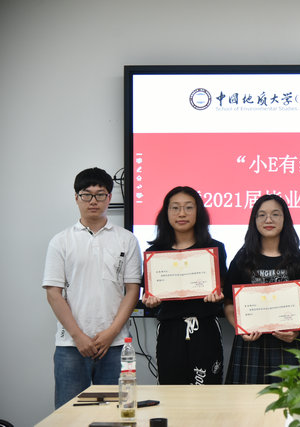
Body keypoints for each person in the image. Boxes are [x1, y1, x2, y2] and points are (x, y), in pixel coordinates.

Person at [42, 167, 142, 408]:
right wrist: (79, 336)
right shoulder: (61, 241)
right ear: (76, 198)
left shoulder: (126, 239)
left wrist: (110, 333)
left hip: (116, 345)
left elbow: (132, 290)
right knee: (69, 416)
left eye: (100, 194)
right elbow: (53, 294)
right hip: (71, 345)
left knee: (115, 414)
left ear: (109, 197)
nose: (93, 201)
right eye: (86, 194)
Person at [142, 186, 228, 385]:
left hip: (205, 328)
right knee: (171, 392)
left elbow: (222, 286)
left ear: (199, 212)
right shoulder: (155, 252)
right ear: (166, 213)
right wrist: (150, 301)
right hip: (170, 330)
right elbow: (148, 294)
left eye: (189, 207)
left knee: (208, 392)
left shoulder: (215, 248)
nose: (182, 213)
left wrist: (218, 294)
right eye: (175, 208)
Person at [223, 194, 300, 384]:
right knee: (246, 401)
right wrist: (240, 328)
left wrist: (295, 331)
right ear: (254, 221)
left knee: (289, 400)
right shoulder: (242, 259)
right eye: (262, 215)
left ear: (285, 219)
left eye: (275, 214)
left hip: (287, 344)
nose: (268, 220)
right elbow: (228, 303)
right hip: (250, 346)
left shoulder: (297, 260)